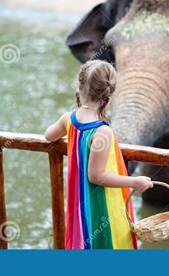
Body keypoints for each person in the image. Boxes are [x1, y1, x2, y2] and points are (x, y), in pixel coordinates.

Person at [45, 60, 153, 249]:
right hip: (101, 204)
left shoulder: (68, 119)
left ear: (79, 87)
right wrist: (135, 182)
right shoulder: (102, 131)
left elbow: (48, 136)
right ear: (108, 96)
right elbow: (95, 176)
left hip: (79, 200)